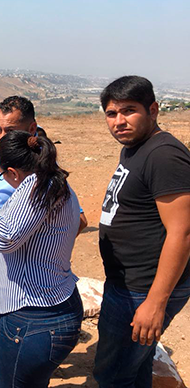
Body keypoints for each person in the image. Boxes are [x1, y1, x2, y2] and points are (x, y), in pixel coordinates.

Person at [0, 96, 87, 388]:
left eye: (3, 175)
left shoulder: (35, 185)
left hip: (35, 317)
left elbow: (5, 236)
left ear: (13, 173)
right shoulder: (52, 178)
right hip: (43, 309)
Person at [93, 76, 190, 387]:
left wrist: (155, 302)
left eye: (129, 111)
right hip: (128, 283)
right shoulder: (136, 147)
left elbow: (183, 233)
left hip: (143, 288)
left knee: (114, 373)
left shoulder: (164, 155)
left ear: (153, 109)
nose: (119, 122)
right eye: (111, 113)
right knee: (132, 369)